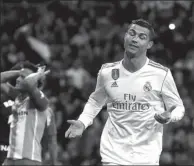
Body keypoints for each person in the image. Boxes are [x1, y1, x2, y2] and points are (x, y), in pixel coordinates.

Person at [65, 19, 185, 165]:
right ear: (125, 37)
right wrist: (83, 122)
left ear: (149, 45)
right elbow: (96, 101)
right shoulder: (107, 71)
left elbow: (178, 107)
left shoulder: (161, 74)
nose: (135, 39)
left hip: (146, 157)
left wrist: (169, 116)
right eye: (132, 33)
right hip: (113, 155)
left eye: (142, 37)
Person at [1, 61, 58, 165]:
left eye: (22, 77)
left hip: (28, 160)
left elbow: (52, 140)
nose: (17, 79)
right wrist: (20, 71)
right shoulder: (18, 98)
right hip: (10, 160)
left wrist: (38, 74)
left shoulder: (41, 103)